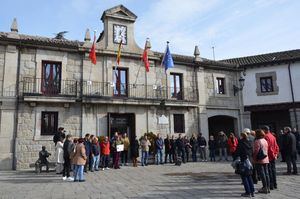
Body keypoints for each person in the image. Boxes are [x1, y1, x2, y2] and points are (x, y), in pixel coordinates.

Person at [235, 132, 254, 197]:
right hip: (250, 160)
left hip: (243, 161)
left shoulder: (241, 142)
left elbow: (237, 152)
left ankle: (248, 192)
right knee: (249, 176)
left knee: (244, 177)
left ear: (241, 136)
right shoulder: (250, 142)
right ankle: (252, 191)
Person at [262, 125, 279, 190]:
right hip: (273, 156)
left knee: (269, 171)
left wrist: (272, 155)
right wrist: (276, 154)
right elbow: (276, 146)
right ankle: (275, 184)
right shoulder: (272, 136)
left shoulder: (266, 137)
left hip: (269, 156)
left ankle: (271, 185)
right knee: (273, 170)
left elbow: (269, 148)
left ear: (265, 130)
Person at [253, 129, 270, 194]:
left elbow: (256, 151)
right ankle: (267, 187)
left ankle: (265, 187)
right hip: (266, 158)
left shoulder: (257, 141)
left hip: (259, 159)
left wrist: (254, 159)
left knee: (262, 174)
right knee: (266, 173)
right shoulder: (264, 140)